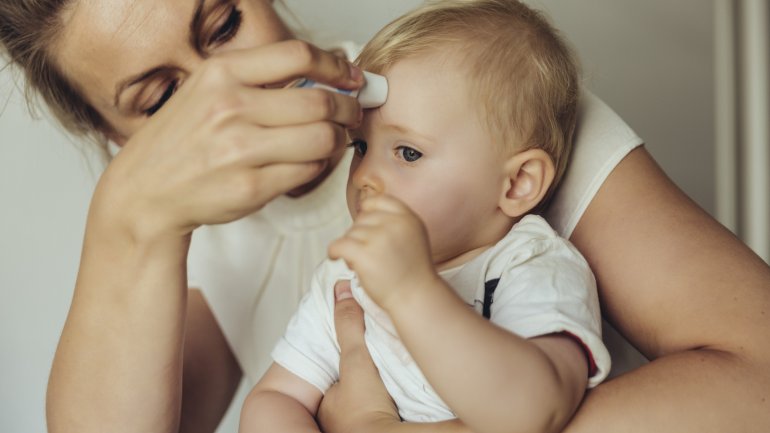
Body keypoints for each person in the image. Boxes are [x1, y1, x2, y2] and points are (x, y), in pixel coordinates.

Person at [0, 0, 767, 432]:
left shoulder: (481, 101)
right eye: (162, 100)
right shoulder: (196, 250)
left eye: (225, 24)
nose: (223, 99)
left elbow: (758, 381)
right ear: (116, 140)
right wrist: (128, 219)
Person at [239, 3, 611, 433]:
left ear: (517, 184)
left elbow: (535, 411)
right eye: (360, 147)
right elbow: (276, 397)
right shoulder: (345, 278)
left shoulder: (531, 263)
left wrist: (412, 291)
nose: (365, 178)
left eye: (408, 153)